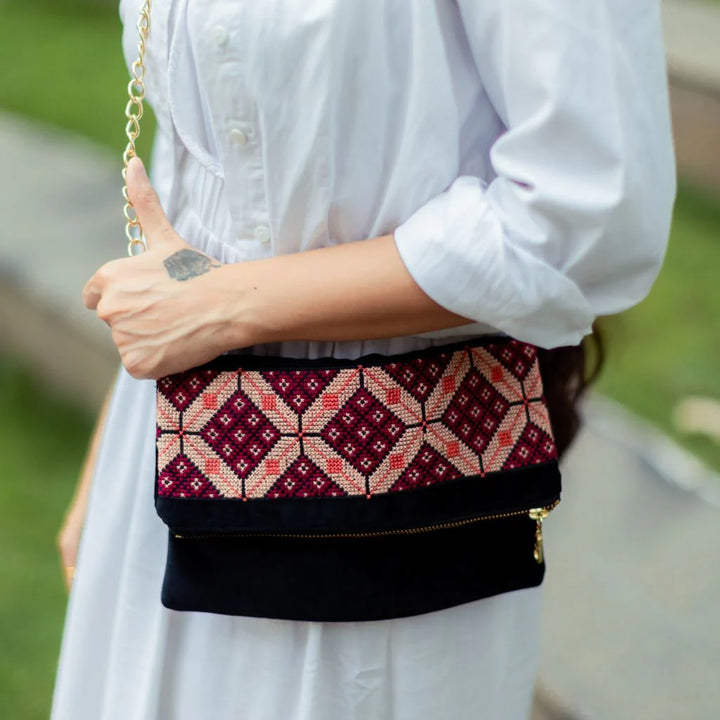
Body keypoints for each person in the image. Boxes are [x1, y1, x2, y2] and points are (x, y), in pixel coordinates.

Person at [52, 1, 676, 718]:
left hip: (396, 499)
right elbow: (198, 179)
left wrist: (221, 306)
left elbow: (589, 213)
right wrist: (111, 453)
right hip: (176, 448)